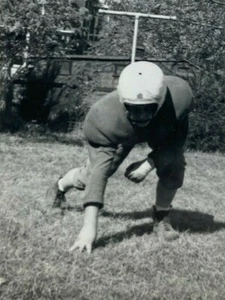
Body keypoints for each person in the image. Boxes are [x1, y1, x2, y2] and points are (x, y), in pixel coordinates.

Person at [46, 61, 194, 254]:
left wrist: (149, 163)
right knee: (89, 176)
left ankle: (161, 216)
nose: (141, 116)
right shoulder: (103, 117)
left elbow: (176, 142)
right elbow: (97, 174)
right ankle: (59, 187)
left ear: (161, 99)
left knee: (174, 164)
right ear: (123, 102)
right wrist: (89, 229)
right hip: (119, 133)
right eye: (134, 108)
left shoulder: (179, 98)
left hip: (159, 130)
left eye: (147, 108)